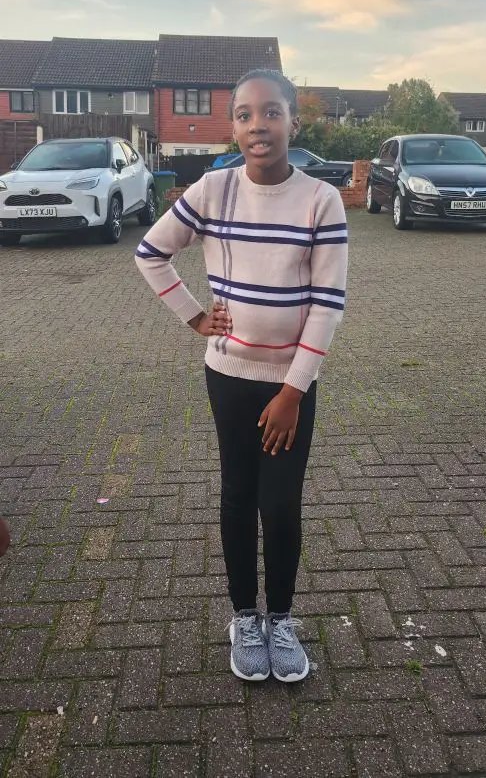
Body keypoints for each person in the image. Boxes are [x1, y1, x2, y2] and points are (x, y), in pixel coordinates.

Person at [135, 69, 348, 683]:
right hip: (228, 374)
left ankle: (280, 617)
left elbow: (327, 303)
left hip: (290, 386)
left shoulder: (321, 199)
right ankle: (244, 616)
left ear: (293, 122)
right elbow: (151, 252)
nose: (259, 126)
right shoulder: (213, 189)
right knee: (237, 495)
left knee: (280, 505)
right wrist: (194, 316)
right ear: (233, 126)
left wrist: (293, 391)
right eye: (245, 115)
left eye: (272, 112)